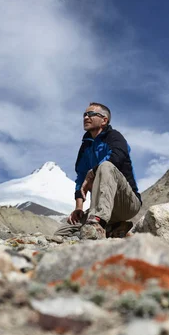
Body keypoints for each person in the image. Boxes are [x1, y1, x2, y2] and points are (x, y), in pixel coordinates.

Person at [55, 102, 142, 239]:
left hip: (127, 204)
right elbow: (80, 178)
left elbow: (118, 157)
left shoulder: (114, 137)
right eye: (84, 114)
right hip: (103, 207)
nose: (86, 117)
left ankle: (100, 223)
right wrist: (79, 207)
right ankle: (115, 228)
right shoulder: (85, 147)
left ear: (104, 120)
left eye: (91, 114)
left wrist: (94, 171)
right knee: (61, 233)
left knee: (105, 166)